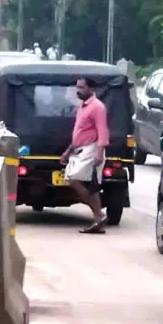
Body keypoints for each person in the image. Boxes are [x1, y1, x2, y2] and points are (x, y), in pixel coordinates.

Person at [59, 77, 109, 234]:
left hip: (92, 149)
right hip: (79, 149)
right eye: (77, 87)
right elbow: (79, 131)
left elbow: (103, 131)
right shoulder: (82, 106)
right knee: (87, 185)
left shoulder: (97, 107)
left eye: (81, 87)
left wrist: (99, 153)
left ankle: (99, 214)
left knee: (74, 180)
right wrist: (68, 151)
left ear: (91, 89)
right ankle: (98, 219)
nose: (78, 91)